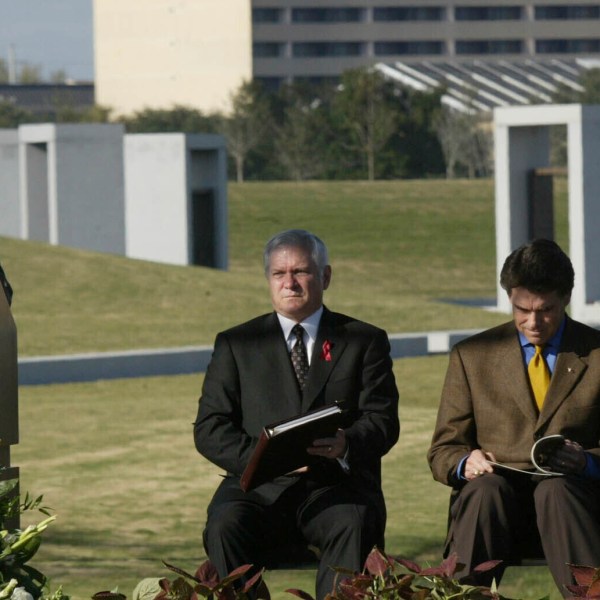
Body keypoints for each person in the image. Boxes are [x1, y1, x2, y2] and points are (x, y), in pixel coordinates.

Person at [194, 229, 400, 599]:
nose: (289, 282)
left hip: (336, 487)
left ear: (325, 276)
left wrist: (346, 443)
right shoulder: (237, 343)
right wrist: (261, 460)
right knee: (224, 524)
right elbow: (210, 428)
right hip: (257, 489)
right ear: (269, 280)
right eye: (279, 274)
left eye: (301, 272)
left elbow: (383, 421)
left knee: (355, 522)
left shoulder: (364, 340)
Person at [427, 238, 600, 595]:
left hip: (574, 509)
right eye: (522, 309)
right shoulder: (472, 356)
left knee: (557, 490)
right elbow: (443, 449)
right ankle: (460, 596)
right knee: (485, 489)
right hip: (494, 507)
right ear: (510, 296)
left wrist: (585, 462)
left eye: (545, 310)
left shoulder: (596, 354)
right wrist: (465, 462)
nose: (532, 322)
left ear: (566, 297)